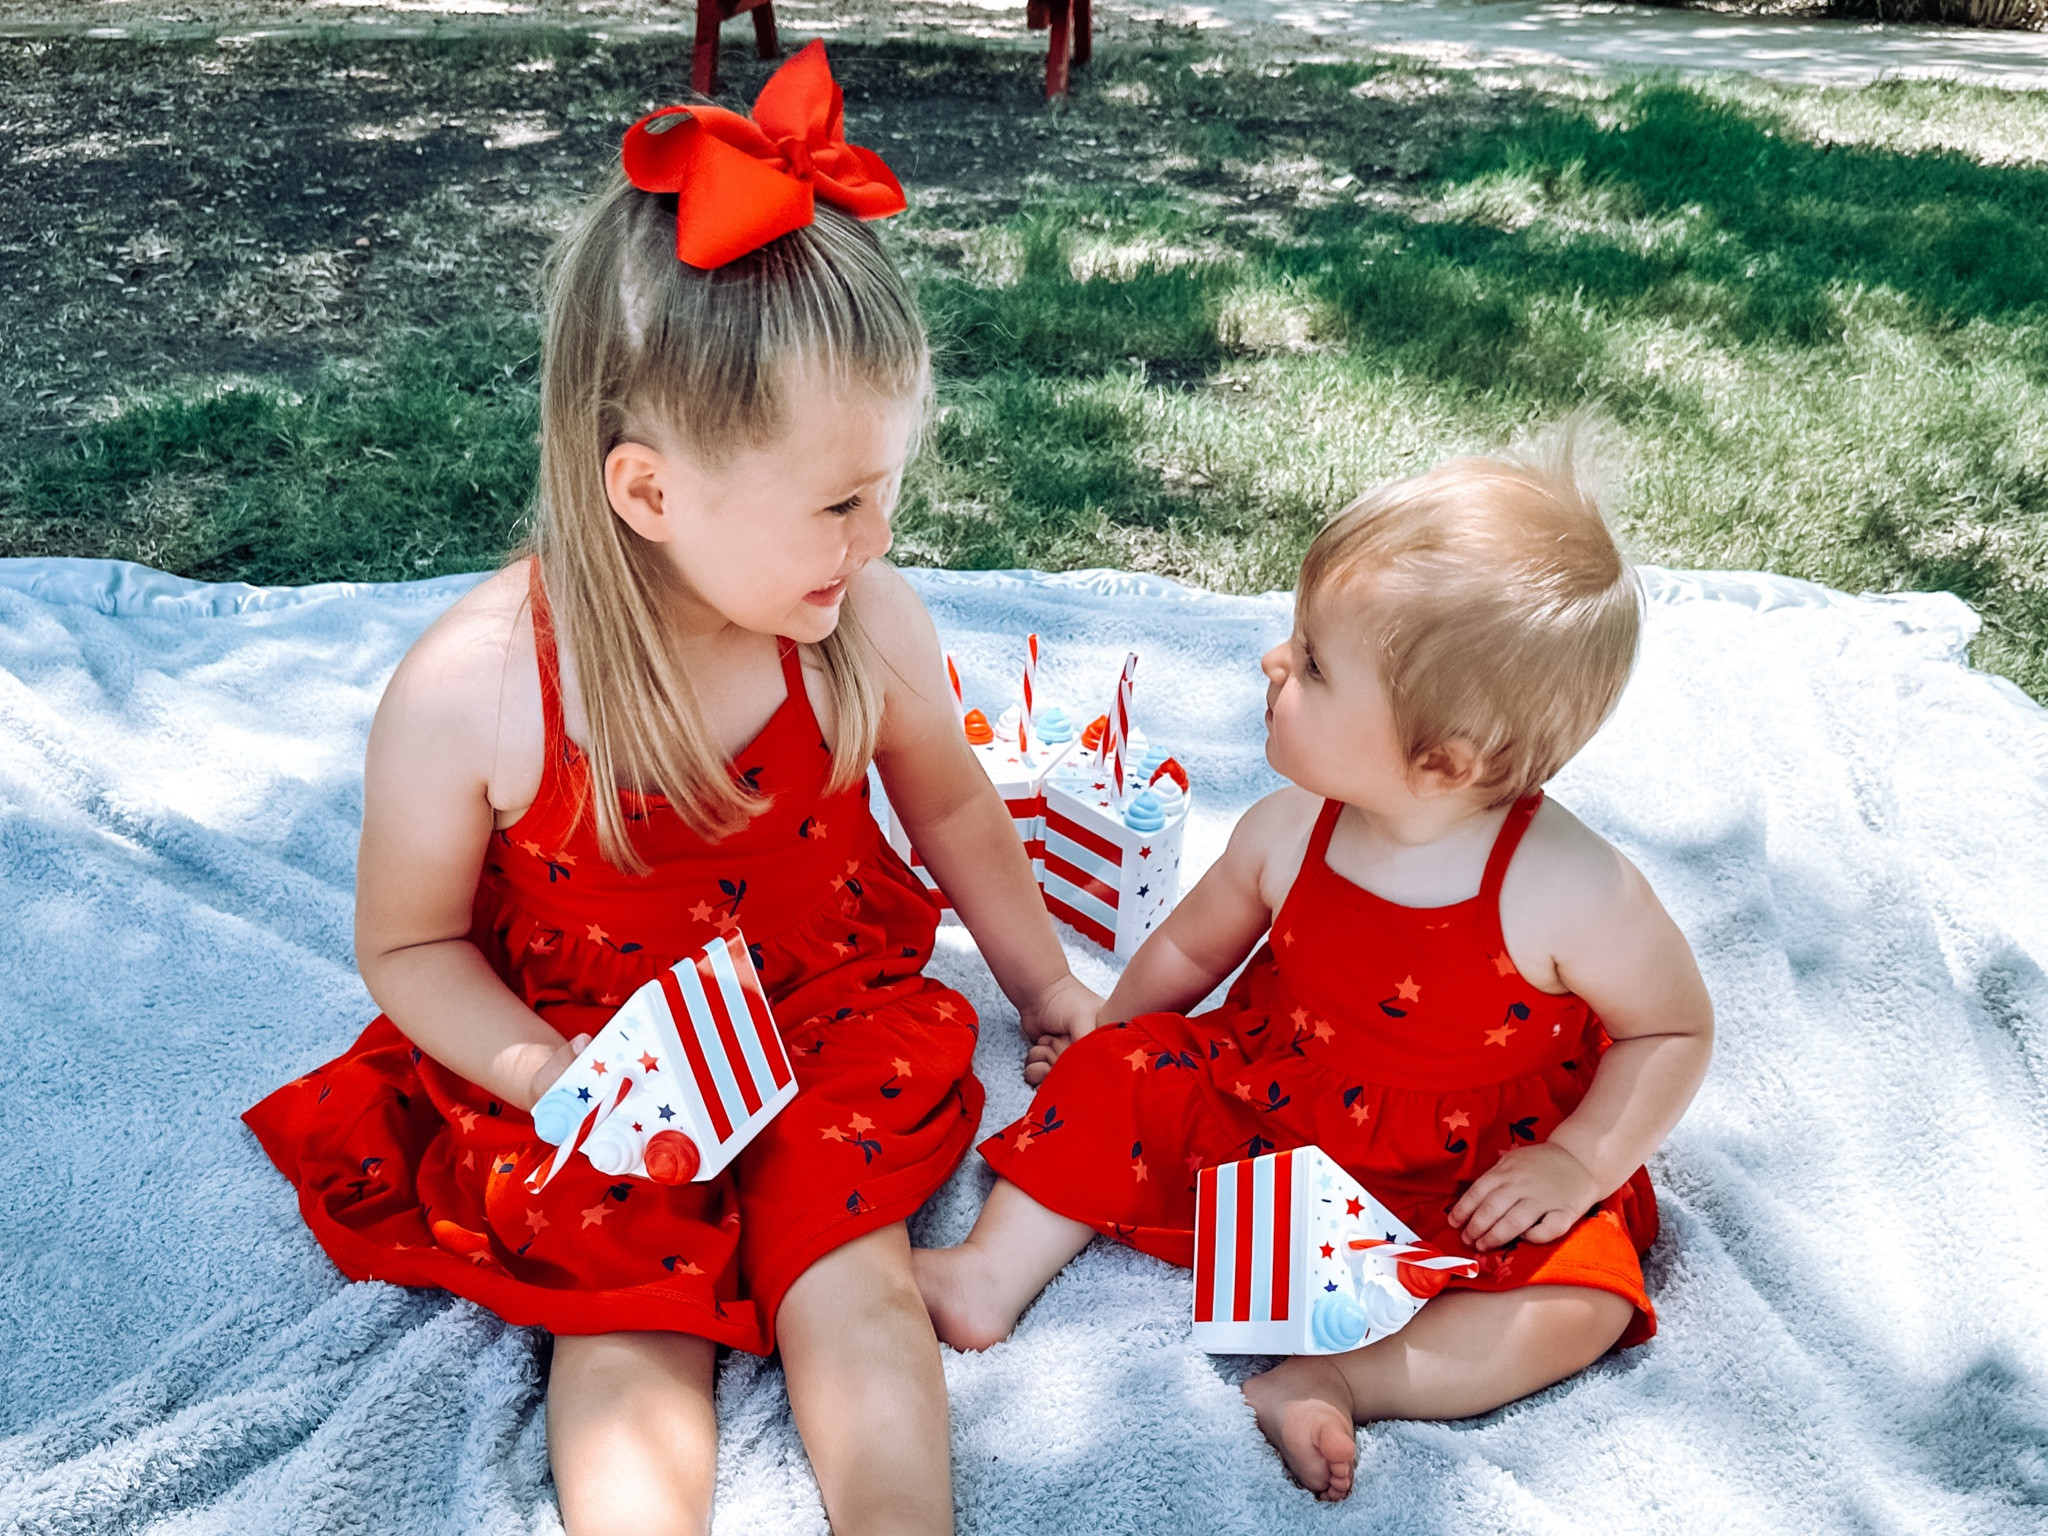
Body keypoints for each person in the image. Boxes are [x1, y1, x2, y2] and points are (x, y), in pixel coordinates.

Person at [244, 44, 1098, 1536]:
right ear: (647, 492)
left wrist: (1052, 989)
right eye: (839, 502)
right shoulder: (479, 690)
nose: (876, 534)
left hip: (825, 1009)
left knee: (855, 1275)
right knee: (622, 1306)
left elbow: (957, 812)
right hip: (598, 1048)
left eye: (887, 486)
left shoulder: (861, 624)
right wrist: (543, 1080)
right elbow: (410, 947)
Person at [912, 429, 1715, 1502]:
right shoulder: (1289, 829)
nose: (1270, 661)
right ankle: (985, 1276)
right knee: (1128, 1072)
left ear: (1446, 761)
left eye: (1314, 662)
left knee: (1584, 1300)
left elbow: (1670, 1028)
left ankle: (1339, 1377)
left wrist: (1577, 1162)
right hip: (1272, 1108)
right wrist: (1106, 1037)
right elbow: (1191, 950)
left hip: (1471, 1172)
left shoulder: (1569, 889)